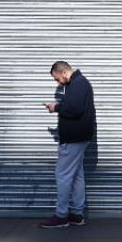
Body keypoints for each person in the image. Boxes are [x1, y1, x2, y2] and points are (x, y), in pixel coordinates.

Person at [40, 61, 97, 228]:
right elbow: (76, 107)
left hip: (73, 138)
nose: (57, 83)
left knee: (62, 175)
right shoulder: (79, 83)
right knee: (77, 175)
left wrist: (55, 107)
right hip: (79, 137)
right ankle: (77, 214)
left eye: (57, 79)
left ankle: (61, 215)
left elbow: (75, 109)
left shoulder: (77, 84)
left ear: (63, 72)